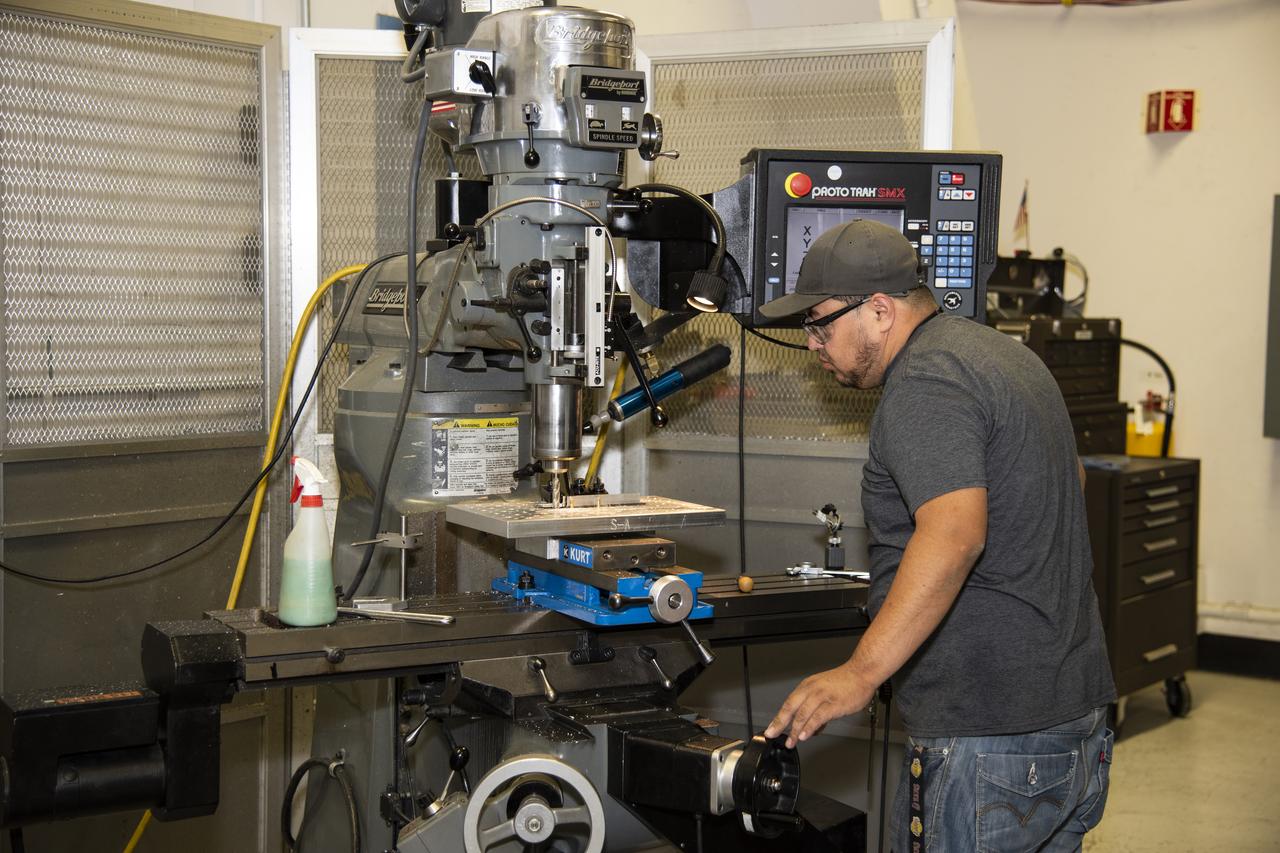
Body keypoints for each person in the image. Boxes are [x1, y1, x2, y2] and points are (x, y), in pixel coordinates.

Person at [758, 220, 1116, 852]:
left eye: (821, 323)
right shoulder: (1006, 357)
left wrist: (861, 673)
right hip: (1072, 719)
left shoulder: (924, 382)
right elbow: (1071, 483)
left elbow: (953, 535)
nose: (813, 343)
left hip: (988, 734)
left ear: (878, 310)